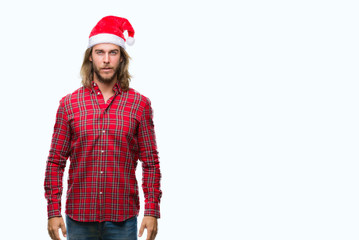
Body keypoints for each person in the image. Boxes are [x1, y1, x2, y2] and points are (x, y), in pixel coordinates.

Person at [44, 16, 162, 240]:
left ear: (121, 58)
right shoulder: (69, 104)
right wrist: (53, 212)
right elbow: (55, 162)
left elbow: (151, 162)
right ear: (90, 56)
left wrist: (152, 211)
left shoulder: (140, 104)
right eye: (100, 52)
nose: (106, 60)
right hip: (78, 219)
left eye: (113, 52)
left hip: (123, 219)